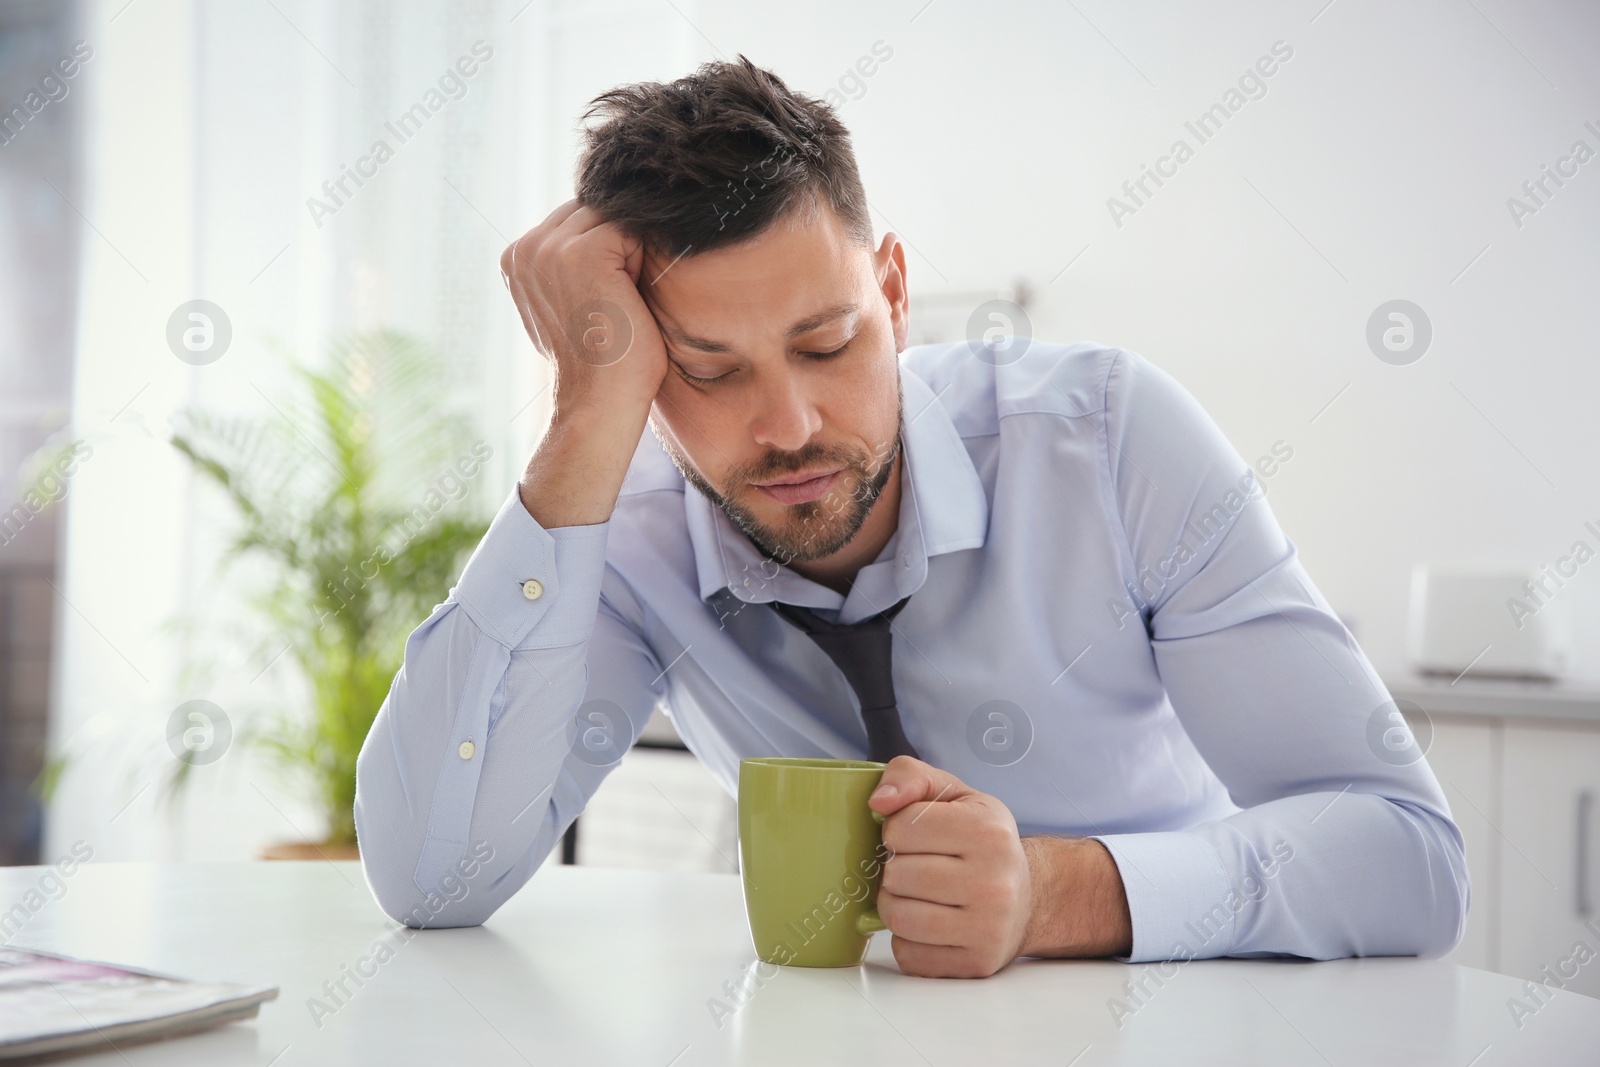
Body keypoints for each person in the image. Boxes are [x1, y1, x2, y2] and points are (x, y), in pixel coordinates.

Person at [354, 55, 1467, 979]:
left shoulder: (1109, 439)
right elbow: (430, 879)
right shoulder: (629, 527)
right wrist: (586, 415)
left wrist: (1055, 891)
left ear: (891, 292)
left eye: (826, 343)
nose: (786, 424)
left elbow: (1409, 855)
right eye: (707, 368)